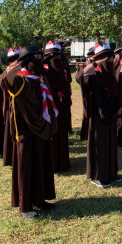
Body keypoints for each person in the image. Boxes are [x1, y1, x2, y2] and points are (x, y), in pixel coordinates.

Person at [0, 45, 58, 219]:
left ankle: (39, 199)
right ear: (28, 62)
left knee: (41, 164)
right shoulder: (20, 80)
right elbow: (4, 80)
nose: (40, 62)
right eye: (36, 59)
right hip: (25, 131)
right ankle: (25, 206)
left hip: (41, 129)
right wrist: (19, 64)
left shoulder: (38, 79)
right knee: (26, 167)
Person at [84, 43, 121, 188]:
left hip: (111, 116)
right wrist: (94, 63)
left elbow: (117, 95)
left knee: (110, 145)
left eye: (111, 58)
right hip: (98, 116)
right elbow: (81, 76)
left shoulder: (110, 75)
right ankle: (98, 176)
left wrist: (118, 114)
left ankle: (111, 172)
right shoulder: (94, 74)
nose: (109, 61)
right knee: (100, 146)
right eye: (106, 59)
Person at [43, 41, 71, 172]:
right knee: (52, 133)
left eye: (58, 56)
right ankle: (52, 163)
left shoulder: (63, 68)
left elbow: (67, 84)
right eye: (52, 56)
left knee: (62, 132)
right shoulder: (43, 69)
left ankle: (63, 162)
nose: (56, 59)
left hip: (63, 104)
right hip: (50, 105)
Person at [2, 46, 21, 166]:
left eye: (17, 58)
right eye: (13, 58)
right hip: (12, 103)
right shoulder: (8, 71)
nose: (15, 60)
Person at [75, 46, 95, 141]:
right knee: (87, 114)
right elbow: (78, 78)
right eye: (92, 55)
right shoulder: (85, 66)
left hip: (96, 94)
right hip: (88, 94)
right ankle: (86, 133)